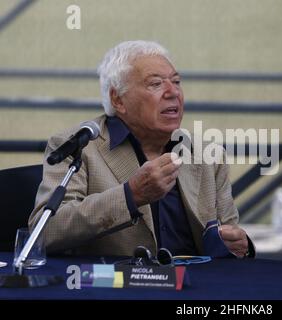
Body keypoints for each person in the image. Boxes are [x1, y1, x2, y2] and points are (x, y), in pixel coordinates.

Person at [29, 40, 254, 259]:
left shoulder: (208, 154)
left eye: (176, 82)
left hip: (194, 287)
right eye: (155, 84)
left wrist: (239, 245)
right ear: (118, 100)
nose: (172, 92)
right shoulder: (79, 146)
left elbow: (230, 238)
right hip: (114, 289)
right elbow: (46, 231)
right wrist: (131, 195)